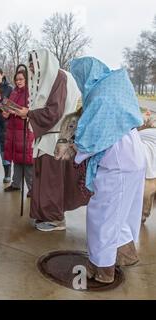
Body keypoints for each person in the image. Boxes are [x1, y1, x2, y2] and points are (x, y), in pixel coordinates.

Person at [70, 57, 146, 284]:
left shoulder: (100, 95)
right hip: (133, 153)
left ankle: (103, 270)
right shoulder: (114, 85)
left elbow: (92, 135)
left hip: (118, 161)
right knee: (122, 214)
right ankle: (126, 255)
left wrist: (76, 149)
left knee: (104, 217)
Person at [10, 49, 89, 232]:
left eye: (33, 64)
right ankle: (45, 215)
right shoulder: (52, 78)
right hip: (47, 137)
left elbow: (54, 111)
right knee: (44, 180)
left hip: (53, 138)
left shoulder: (58, 78)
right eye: (29, 65)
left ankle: (56, 219)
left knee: (51, 181)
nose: (31, 68)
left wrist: (28, 113)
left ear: (43, 62)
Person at [3, 68, 34, 195]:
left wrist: (27, 113)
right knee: (17, 158)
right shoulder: (14, 92)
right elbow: (10, 108)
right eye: (16, 79)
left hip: (25, 129)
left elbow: (34, 110)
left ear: (27, 79)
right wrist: (6, 113)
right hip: (13, 129)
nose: (18, 81)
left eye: (21, 79)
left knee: (27, 160)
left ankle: (32, 188)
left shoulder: (31, 93)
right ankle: (16, 184)